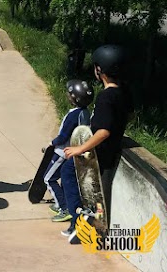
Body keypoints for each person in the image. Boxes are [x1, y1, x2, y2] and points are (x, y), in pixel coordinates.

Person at [61, 45, 133, 237]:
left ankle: (77, 218)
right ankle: (91, 217)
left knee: (68, 171)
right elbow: (126, 117)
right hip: (112, 152)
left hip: (99, 153)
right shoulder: (124, 93)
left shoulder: (105, 97)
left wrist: (79, 149)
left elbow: (103, 132)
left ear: (100, 70)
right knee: (96, 189)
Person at [44, 79, 94, 223]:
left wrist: (51, 143)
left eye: (70, 93)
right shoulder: (84, 112)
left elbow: (64, 136)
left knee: (48, 178)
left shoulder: (73, 116)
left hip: (62, 152)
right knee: (62, 180)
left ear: (75, 98)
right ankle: (63, 202)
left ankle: (64, 208)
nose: (68, 94)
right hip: (72, 152)